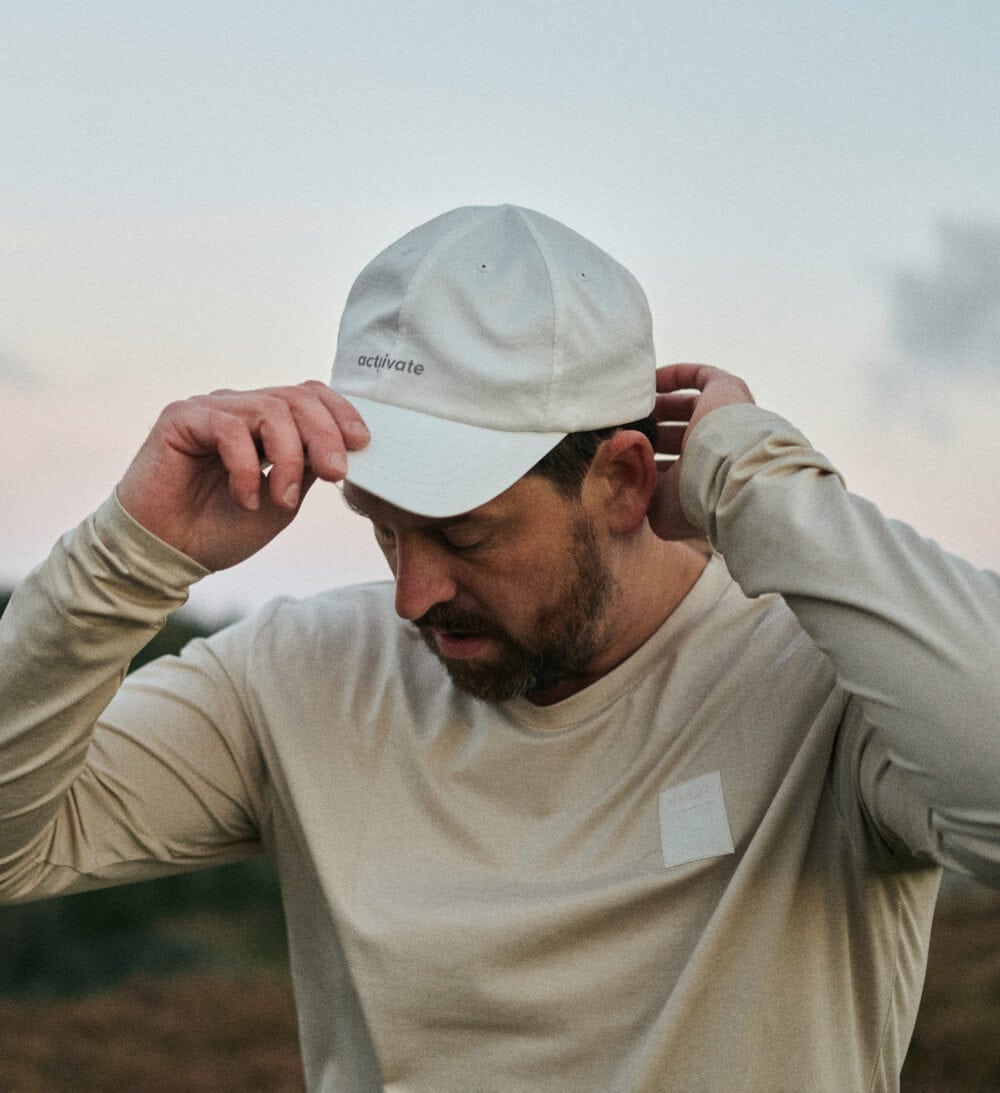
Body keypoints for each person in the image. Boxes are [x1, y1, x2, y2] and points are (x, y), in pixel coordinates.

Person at [1, 204, 998, 1091]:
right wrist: (125, 556)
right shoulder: (296, 671)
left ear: (619, 480)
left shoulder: (822, 683)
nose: (412, 592)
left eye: (464, 533)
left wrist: (767, 489)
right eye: (384, 527)